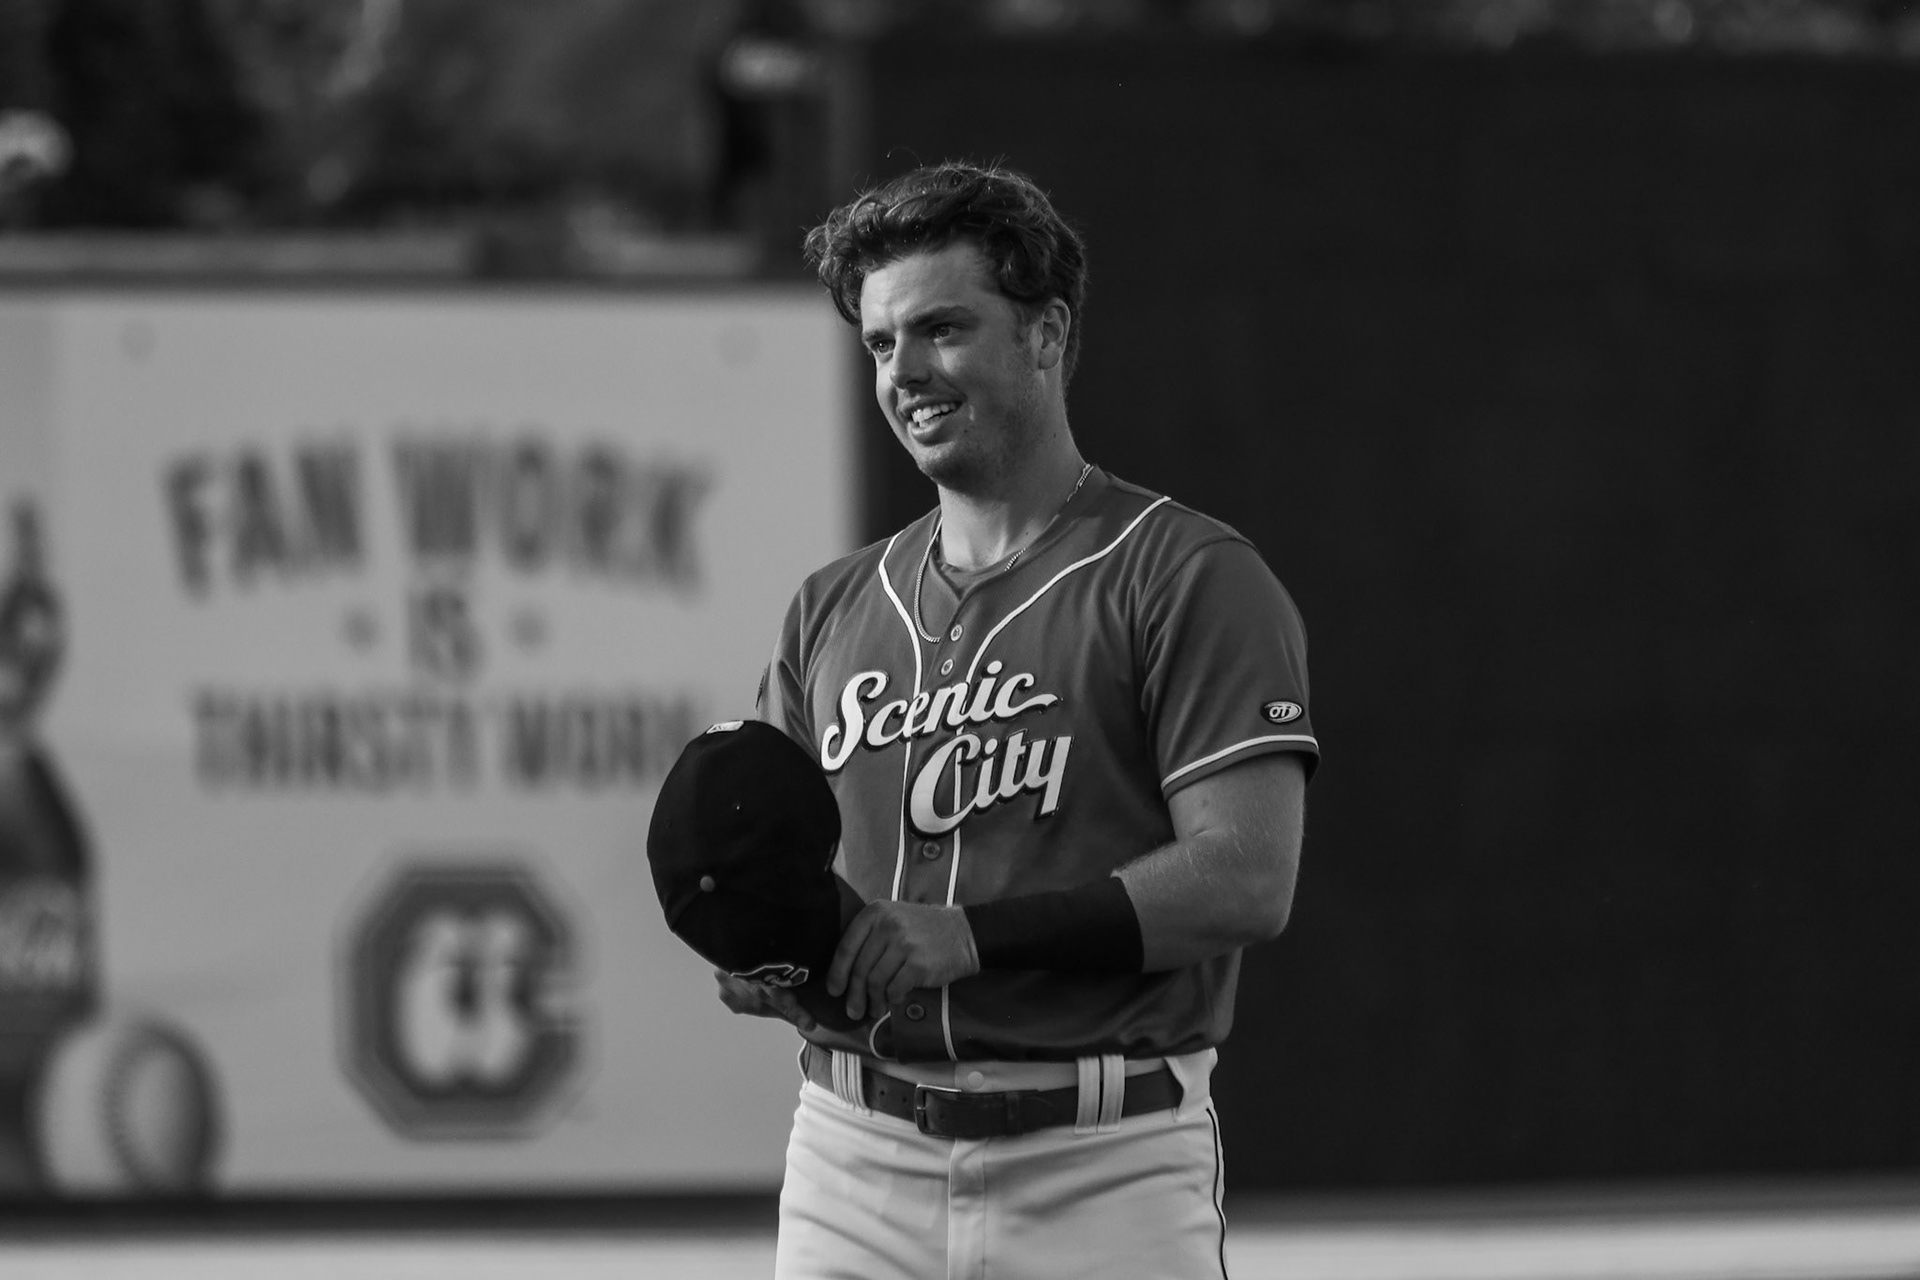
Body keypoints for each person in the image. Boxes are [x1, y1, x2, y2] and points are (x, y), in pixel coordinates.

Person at [718, 160, 1318, 1279]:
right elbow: (795, 879)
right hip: (853, 1153)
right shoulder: (833, 607)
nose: (907, 371)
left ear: (1045, 335)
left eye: (941, 328)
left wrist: (972, 937)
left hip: (1106, 1163)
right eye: (882, 343)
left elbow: (1245, 877)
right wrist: (772, 955)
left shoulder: (1186, 574)